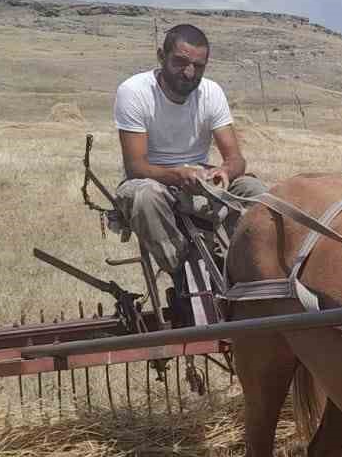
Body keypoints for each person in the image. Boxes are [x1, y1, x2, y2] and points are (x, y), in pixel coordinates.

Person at [112, 23, 268, 277]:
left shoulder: (212, 92)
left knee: (256, 193)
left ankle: (250, 268)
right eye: (180, 62)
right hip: (150, 180)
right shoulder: (134, 91)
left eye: (198, 66)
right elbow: (135, 167)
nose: (188, 72)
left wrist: (224, 172)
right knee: (145, 197)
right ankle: (185, 273)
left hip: (201, 178)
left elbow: (236, 158)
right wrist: (180, 175)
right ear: (161, 57)